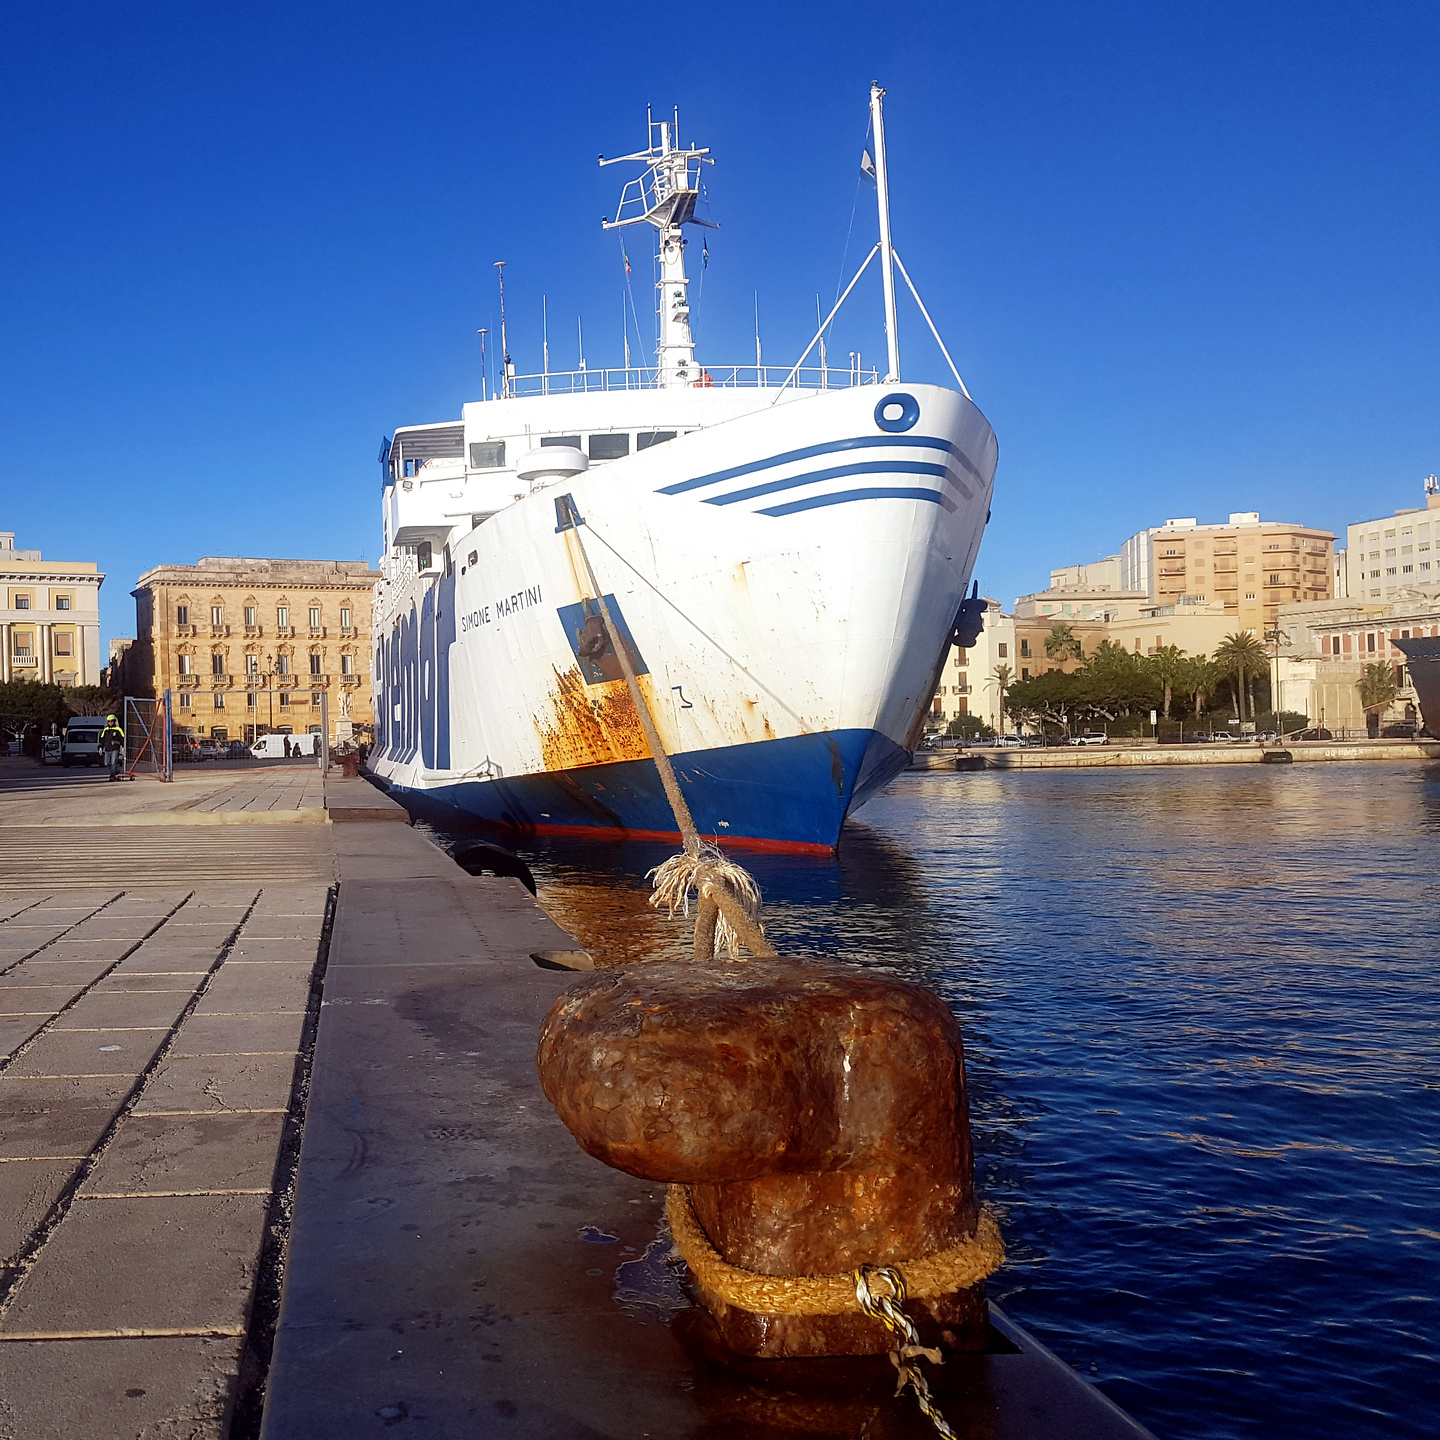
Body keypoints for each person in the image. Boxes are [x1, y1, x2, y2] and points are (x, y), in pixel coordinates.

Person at [99, 714, 125, 781]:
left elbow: (122, 739)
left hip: (115, 749)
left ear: (114, 721)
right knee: (107, 763)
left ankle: (112, 776)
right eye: (109, 721)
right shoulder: (105, 730)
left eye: (112, 721)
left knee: (113, 762)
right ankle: (116, 771)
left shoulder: (118, 729)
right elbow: (102, 739)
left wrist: (122, 747)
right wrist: (101, 747)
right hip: (107, 749)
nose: (110, 723)